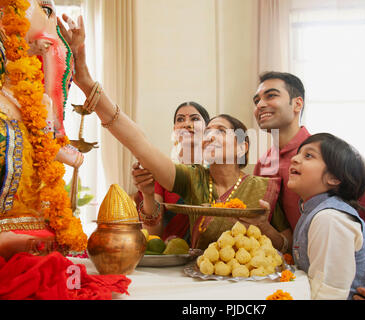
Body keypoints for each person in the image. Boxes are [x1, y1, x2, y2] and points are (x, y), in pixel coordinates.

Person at [58, 16, 292, 252]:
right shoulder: (193, 178)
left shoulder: (265, 187)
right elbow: (140, 144)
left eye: (220, 131)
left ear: (242, 146)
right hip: (199, 274)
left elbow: (287, 242)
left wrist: (266, 229)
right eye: (208, 132)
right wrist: (87, 83)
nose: (209, 136)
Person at [252, 71, 365, 299]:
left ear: (297, 104)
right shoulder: (264, 164)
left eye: (271, 95)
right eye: (256, 100)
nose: (260, 104)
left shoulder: (329, 161)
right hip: (296, 277)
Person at [0, 0, 87, 260]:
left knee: (40, 120)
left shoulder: (40, 6)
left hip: (26, 94)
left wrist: (69, 47)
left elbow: (52, 50)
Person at [288, 133, 365, 299]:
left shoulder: (330, 219)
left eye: (309, 155)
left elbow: (329, 292)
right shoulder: (313, 210)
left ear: (334, 178)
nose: (295, 159)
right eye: (298, 153)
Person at [132, 101, 210, 243]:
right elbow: (153, 233)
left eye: (195, 119)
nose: (187, 124)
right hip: (173, 255)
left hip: (216, 255)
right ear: (175, 129)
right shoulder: (163, 173)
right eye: (180, 119)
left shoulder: (217, 173)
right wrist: (148, 194)